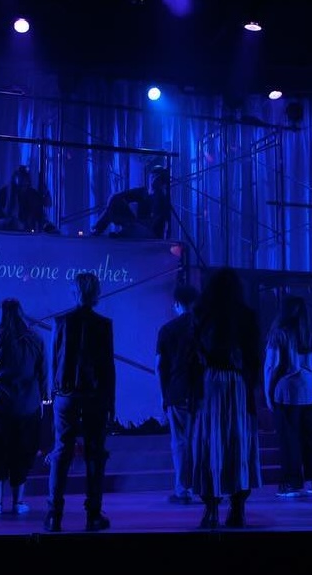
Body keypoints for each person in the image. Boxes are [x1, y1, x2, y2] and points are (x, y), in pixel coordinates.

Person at [44, 272, 116, 532]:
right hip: (95, 396)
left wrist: (53, 393)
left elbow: (54, 361)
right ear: (96, 293)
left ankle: (54, 515)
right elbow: (108, 367)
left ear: (75, 292)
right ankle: (93, 514)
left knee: (61, 451)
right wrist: (111, 402)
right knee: (95, 453)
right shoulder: (103, 325)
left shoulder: (61, 322)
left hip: (66, 395)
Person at [191, 267, 263, 529]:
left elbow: (193, 355)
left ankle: (211, 509)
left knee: (210, 443)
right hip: (237, 385)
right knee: (237, 442)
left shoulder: (201, 314)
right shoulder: (247, 315)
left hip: (210, 383)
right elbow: (254, 358)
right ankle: (238, 508)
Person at [0, 298, 48, 516]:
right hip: (27, 406)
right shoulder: (35, 339)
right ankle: (18, 502)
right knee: (21, 453)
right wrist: (42, 400)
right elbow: (43, 374)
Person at [264, 295, 312, 498]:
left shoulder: (279, 335)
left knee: (289, 438)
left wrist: (268, 394)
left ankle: (292, 483)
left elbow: (271, 367)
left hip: (286, 392)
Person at [155, 283, 201, 505]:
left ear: (176, 304)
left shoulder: (167, 330)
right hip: (202, 391)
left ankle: (183, 490)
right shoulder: (204, 327)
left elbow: (159, 366)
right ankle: (205, 487)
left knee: (180, 442)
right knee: (201, 440)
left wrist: (162, 396)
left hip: (176, 390)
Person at [90, 167, 171, 239]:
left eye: (157, 177)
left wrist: (131, 222)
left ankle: (123, 233)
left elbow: (152, 223)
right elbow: (119, 196)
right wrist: (112, 201)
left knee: (133, 226)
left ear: (161, 181)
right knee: (116, 202)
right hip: (136, 225)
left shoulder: (161, 199)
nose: (153, 179)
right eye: (152, 175)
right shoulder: (143, 192)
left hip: (150, 233)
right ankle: (97, 228)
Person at [0, 164, 57, 233]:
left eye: (25, 178)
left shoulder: (33, 194)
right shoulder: (5, 192)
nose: (23, 181)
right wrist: (8, 221)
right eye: (21, 178)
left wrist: (46, 191)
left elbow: (47, 205)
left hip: (29, 234)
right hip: (7, 233)